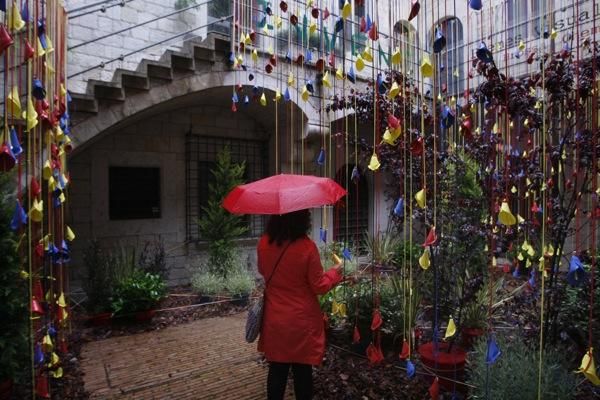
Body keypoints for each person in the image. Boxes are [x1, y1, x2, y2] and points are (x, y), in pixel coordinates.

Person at [257, 209, 343, 400]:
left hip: (275, 321)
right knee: (302, 372)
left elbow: (263, 270)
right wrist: (335, 273)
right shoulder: (307, 247)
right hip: (301, 323)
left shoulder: (263, 243)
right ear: (302, 220)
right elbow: (319, 286)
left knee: (277, 370)